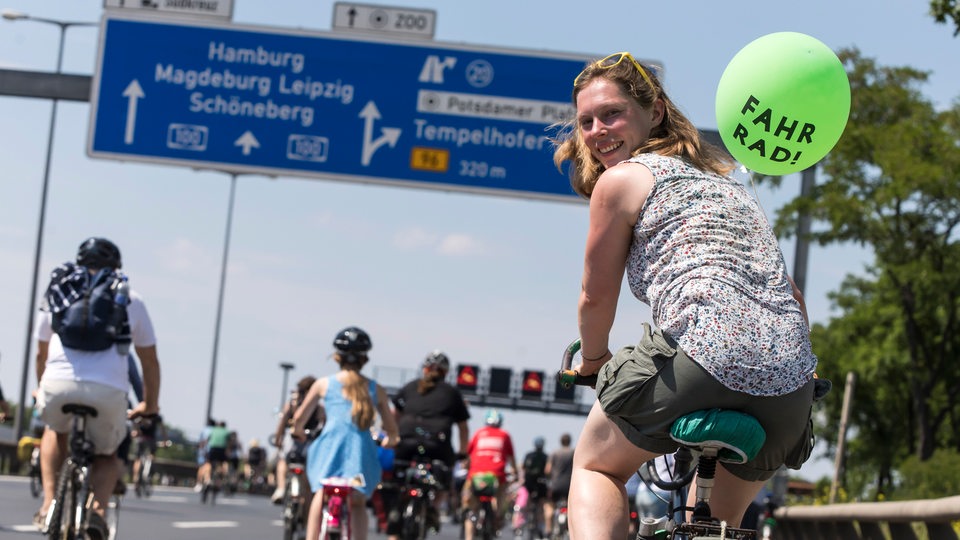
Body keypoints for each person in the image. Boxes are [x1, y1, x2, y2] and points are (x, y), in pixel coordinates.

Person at [553, 52, 819, 539]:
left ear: (654, 112)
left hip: (700, 359)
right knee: (719, 525)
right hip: (789, 386)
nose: (597, 130)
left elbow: (595, 297)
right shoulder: (732, 187)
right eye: (586, 121)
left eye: (612, 113)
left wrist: (592, 361)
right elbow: (792, 296)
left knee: (596, 467)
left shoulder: (622, 180)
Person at [34, 237, 161, 538]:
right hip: (108, 391)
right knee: (107, 453)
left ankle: (49, 502)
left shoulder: (59, 291)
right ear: (116, 268)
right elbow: (150, 362)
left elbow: (41, 353)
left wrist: (41, 388)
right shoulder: (130, 298)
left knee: (55, 431)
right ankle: (98, 512)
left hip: (57, 385)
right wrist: (150, 405)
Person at [291, 326, 399, 540]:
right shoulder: (375, 389)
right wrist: (391, 440)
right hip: (360, 455)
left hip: (328, 451)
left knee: (321, 493)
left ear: (337, 357)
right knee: (358, 502)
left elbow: (299, 419)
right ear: (364, 359)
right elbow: (391, 428)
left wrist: (298, 431)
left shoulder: (323, 384)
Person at [390, 349, 471, 536]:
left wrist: (394, 437)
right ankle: (434, 507)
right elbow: (463, 428)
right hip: (438, 445)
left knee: (398, 482)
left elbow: (394, 414)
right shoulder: (452, 393)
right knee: (443, 479)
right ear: (446, 372)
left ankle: (396, 512)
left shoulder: (410, 387)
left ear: (425, 369)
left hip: (407, 442)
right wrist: (463, 452)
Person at [461, 409, 518, 540]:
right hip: (497, 476)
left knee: (470, 509)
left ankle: (468, 537)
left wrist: (467, 466)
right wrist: (515, 472)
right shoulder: (505, 435)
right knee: (502, 499)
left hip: (475, 475)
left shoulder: (478, 433)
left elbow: (467, 455)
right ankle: (498, 518)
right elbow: (511, 458)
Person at [270, 375, 318, 504]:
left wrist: (278, 439)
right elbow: (322, 424)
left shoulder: (292, 404)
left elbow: (282, 423)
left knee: (283, 462)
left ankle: (280, 488)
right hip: (309, 442)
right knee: (308, 480)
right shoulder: (318, 407)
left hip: (292, 440)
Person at [543, 432, 574, 538]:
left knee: (550, 506)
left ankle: (548, 530)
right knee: (572, 508)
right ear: (570, 441)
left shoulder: (555, 453)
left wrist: (549, 478)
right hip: (570, 486)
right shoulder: (573, 452)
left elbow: (547, 470)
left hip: (556, 485)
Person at [519, 436, 548, 535]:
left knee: (528, 499)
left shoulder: (528, 455)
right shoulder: (545, 456)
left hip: (529, 482)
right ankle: (540, 524)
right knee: (541, 504)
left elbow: (523, 467)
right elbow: (547, 471)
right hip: (541, 483)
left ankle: (524, 518)